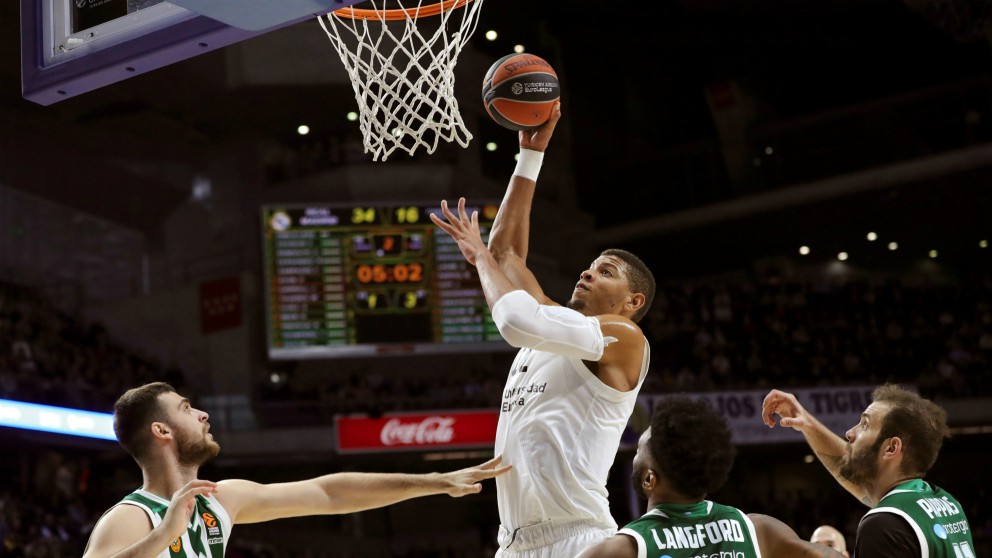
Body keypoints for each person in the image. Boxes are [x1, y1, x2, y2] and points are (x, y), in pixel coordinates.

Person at [430, 102, 656, 557]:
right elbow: (508, 254)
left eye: (606, 271)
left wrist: (479, 259)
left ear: (634, 302)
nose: (588, 274)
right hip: (513, 544)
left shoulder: (624, 340)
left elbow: (512, 317)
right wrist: (530, 157)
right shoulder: (558, 326)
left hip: (578, 538)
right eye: (589, 266)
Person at [82, 382, 511, 558]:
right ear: (161, 430)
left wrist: (436, 482)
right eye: (187, 408)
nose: (204, 414)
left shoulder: (219, 500)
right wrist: (162, 536)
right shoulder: (131, 517)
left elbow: (329, 493)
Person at [575, 394, 848, 558]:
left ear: (649, 480)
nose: (635, 455)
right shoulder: (756, 529)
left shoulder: (626, 548)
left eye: (638, 451)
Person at [761, 384, 975, 558]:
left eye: (864, 425)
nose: (849, 432)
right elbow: (849, 467)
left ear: (891, 448)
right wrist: (807, 424)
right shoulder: (945, 502)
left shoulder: (883, 524)